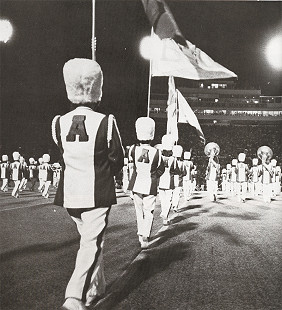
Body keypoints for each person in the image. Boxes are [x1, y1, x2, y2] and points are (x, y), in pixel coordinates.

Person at [52, 58, 124, 310]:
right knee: (91, 245)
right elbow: (117, 158)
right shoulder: (107, 122)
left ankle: (96, 288)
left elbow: (63, 154)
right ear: (97, 91)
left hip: (70, 193)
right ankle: (74, 296)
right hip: (97, 193)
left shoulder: (58, 122)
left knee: (92, 243)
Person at [128, 117, 164, 248]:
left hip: (136, 184)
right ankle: (145, 236)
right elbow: (161, 169)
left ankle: (140, 235)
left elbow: (131, 166)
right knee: (148, 211)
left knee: (139, 211)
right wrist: (154, 176)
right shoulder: (157, 152)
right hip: (150, 184)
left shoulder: (132, 149)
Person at [158, 134, 175, 225]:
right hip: (169, 181)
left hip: (161, 180)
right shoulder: (173, 159)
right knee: (168, 200)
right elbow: (175, 170)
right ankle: (165, 215)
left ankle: (165, 219)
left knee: (162, 200)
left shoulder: (160, 157)